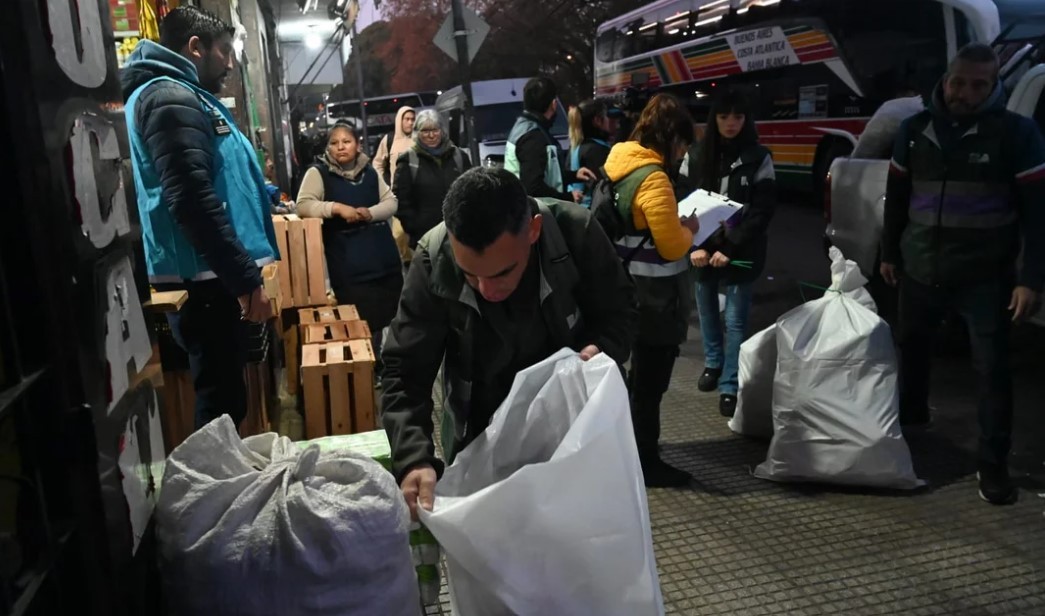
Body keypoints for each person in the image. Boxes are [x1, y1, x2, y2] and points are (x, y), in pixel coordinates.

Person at [381, 167, 637, 519]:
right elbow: (404, 369)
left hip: (576, 429)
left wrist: (601, 346)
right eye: (470, 274)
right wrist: (413, 458)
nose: (487, 290)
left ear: (533, 230)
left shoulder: (575, 232)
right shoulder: (432, 256)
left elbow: (619, 311)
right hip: (480, 432)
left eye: (502, 272)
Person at [881, 43, 1045, 505]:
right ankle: (911, 434)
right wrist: (890, 253)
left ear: (994, 86)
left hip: (984, 278)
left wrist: (1030, 279)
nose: (964, 92)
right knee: (911, 354)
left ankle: (993, 467)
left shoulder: (1017, 134)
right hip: (919, 270)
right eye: (958, 81)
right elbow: (898, 198)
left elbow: (1037, 214)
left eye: (978, 85)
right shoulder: (914, 130)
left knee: (993, 372)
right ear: (945, 78)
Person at [121, 7, 277, 430]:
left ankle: (221, 489)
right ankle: (215, 494)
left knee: (225, 399)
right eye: (224, 52)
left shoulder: (179, 95)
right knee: (221, 406)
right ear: (195, 47)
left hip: (210, 276)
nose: (229, 63)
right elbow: (191, 200)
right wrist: (245, 280)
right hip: (204, 280)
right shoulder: (169, 96)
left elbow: (209, 178)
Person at [604, 93, 700, 488]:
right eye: (683, 143)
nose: (683, 152)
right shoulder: (654, 178)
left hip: (627, 290)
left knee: (636, 380)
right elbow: (671, 245)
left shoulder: (620, 162)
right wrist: (691, 229)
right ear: (671, 138)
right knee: (649, 386)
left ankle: (627, 452)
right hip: (655, 299)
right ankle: (646, 462)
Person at [688, 91, 776, 418]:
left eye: (738, 117)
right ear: (714, 119)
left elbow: (763, 210)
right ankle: (712, 363)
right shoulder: (697, 155)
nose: (731, 123)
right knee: (706, 306)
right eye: (724, 116)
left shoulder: (759, 157)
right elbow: (684, 204)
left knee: (737, 319)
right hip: (701, 249)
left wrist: (729, 247)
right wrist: (696, 246)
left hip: (742, 251)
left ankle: (729, 381)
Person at [296, 122, 402, 376]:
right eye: (334, 143)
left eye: (347, 141)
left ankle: (381, 364)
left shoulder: (369, 171)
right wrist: (334, 208)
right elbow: (303, 205)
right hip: (348, 265)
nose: (341, 147)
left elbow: (391, 202)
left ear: (358, 145)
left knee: (386, 315)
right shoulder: (319, 172)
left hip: (384, 261)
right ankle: (366, 369)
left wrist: (370, 213)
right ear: (328, 148)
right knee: (359, 319)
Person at [504, 76, 596, 202]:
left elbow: (547, 174)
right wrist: (567, 198)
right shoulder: (533, 137)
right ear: (553, 104)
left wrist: (574, 175)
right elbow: (533, 187)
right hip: (540, 214)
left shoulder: (524, 127)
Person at [393, 109, 471, 251]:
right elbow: (401, 201)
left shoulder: (459, 157)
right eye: (425, 131)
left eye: (435, 130)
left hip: (460, 235)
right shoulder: (408, 161)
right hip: (426, 239)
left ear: (442, 130)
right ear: (417, 133)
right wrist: (414, 229)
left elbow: (472, 192)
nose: (431, 135)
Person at [567, 99, 612, 207]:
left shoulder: (574, 147)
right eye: (606, 116)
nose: (608, 120)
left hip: (574, 209)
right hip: (591, 212)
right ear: (597, 120)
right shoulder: (597, 150)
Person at [372, 106, 416, 187]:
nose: (410, 123)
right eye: (407, 119)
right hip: (396, 192)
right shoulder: (389, 139)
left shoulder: (419, 139)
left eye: (413, 119)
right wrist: (383, 184)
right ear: (400, 120)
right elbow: (377, 164)